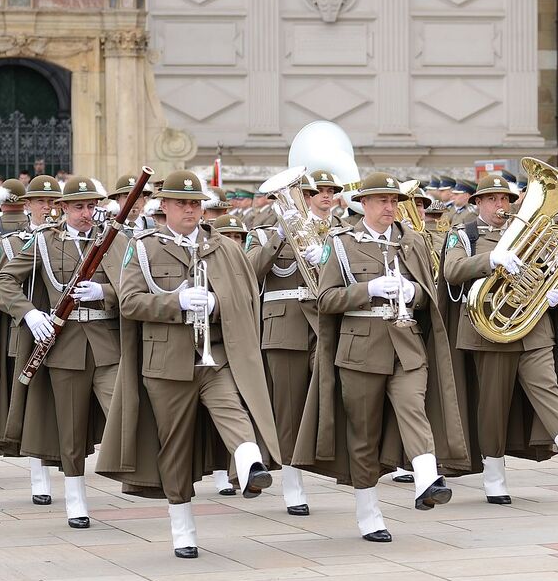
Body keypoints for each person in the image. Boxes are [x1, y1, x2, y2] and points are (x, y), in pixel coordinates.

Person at [97, 170, 281, 558]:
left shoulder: (223, 246)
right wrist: (176, 303)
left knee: (233, 408)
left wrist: (217, 305)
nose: (190, 210)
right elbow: (129, 302)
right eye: (182, 203)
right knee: (175, 446)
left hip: (214, 356)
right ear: (164, 206)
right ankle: (182, 525)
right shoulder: (143, 247)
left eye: (196, 203)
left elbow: (246, 296)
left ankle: (250, 465)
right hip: (166, 364)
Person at [294, 171, 467, 542]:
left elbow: (427, 297)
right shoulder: (339, 243)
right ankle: (368, 512)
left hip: (406, 345)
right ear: (365, 204)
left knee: (413, 409)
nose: (390, 207)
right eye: (382, 201)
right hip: (360, 349)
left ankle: (426, 480)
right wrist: (366, 289)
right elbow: (325, 300)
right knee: (363, 435)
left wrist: (413, 292)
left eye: (394, 201)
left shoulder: (412, 242)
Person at [442, 172, 558, 500]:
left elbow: (548, 268)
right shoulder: (465, 234)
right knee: (493, 405)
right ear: (478, 203)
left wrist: (552, 290)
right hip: (490, 329)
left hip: (533, 327)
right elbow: (452, 270)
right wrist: (490, 260)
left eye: (504, 198)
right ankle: (494, 476)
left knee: (547, 386)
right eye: (492, 199)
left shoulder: (530, 234)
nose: (500, 204)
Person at [0, 176, 123, 527]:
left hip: (106, 344)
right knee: (71, 427)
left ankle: (134, 470)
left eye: (91, 206)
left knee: (123, 412)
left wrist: (104, 293)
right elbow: (3, 282)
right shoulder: (43, 242)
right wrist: (30, 314)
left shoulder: (111, 240)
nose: (86, 213)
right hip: (65, 349)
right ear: (62, 208)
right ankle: (76, 497)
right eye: (78, 206)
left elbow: (132, 285)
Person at [245, 169, 341, 516]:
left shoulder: (337, 233)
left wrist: (327, 255)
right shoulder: (261, 234)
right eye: (316, 191)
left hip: (325, 323)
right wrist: (280, 237)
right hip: (284, 328)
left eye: (330, 191)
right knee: (287, 410)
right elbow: (250, 272)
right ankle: (292, 485)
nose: (323, 196)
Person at [0, 175, 61, 504]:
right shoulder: (13, 243)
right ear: (27, 206)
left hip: (67, 333)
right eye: (42, 201)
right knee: (30, 408)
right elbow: (1, 288)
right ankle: (39, 476)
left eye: (55, 202)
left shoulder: (70, 241)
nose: (49, 208)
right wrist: (27, 313)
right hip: (26, 334)